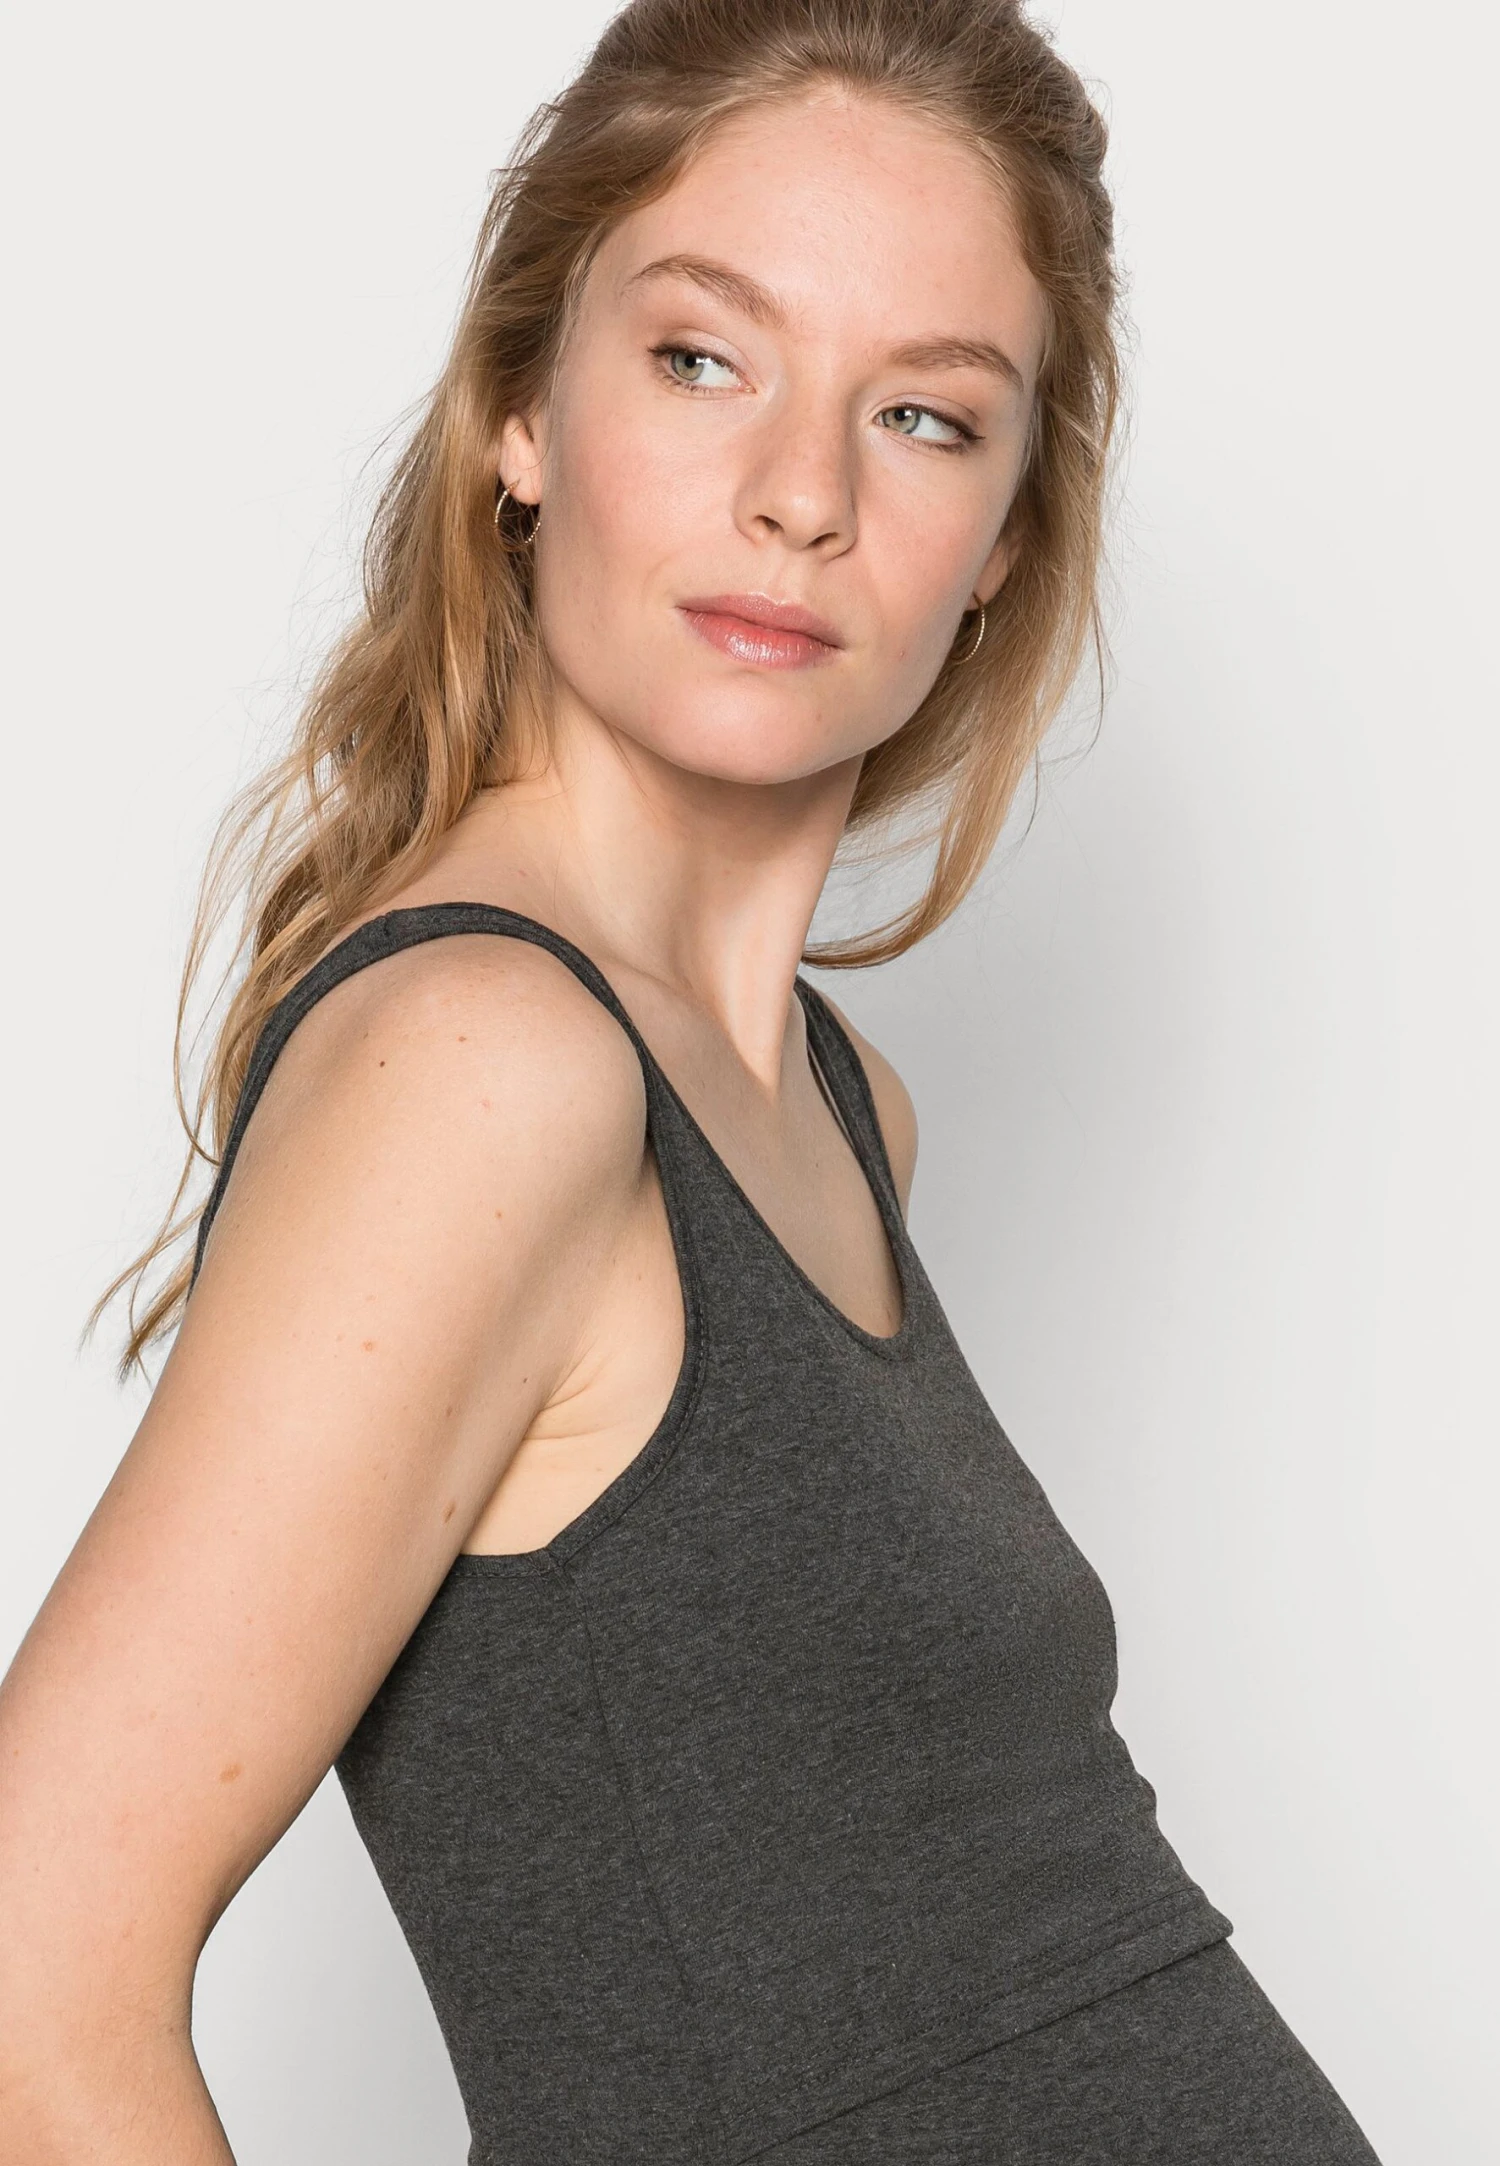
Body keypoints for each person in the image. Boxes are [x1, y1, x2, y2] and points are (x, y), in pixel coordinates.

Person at [0, 0, 1384, 2159]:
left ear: (1007, 537)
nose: (802, 497)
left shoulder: (833, 1100)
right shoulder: (486, 1063)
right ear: (520, 412)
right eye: (703, 357)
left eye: (923, 417)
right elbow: (32, 1977)